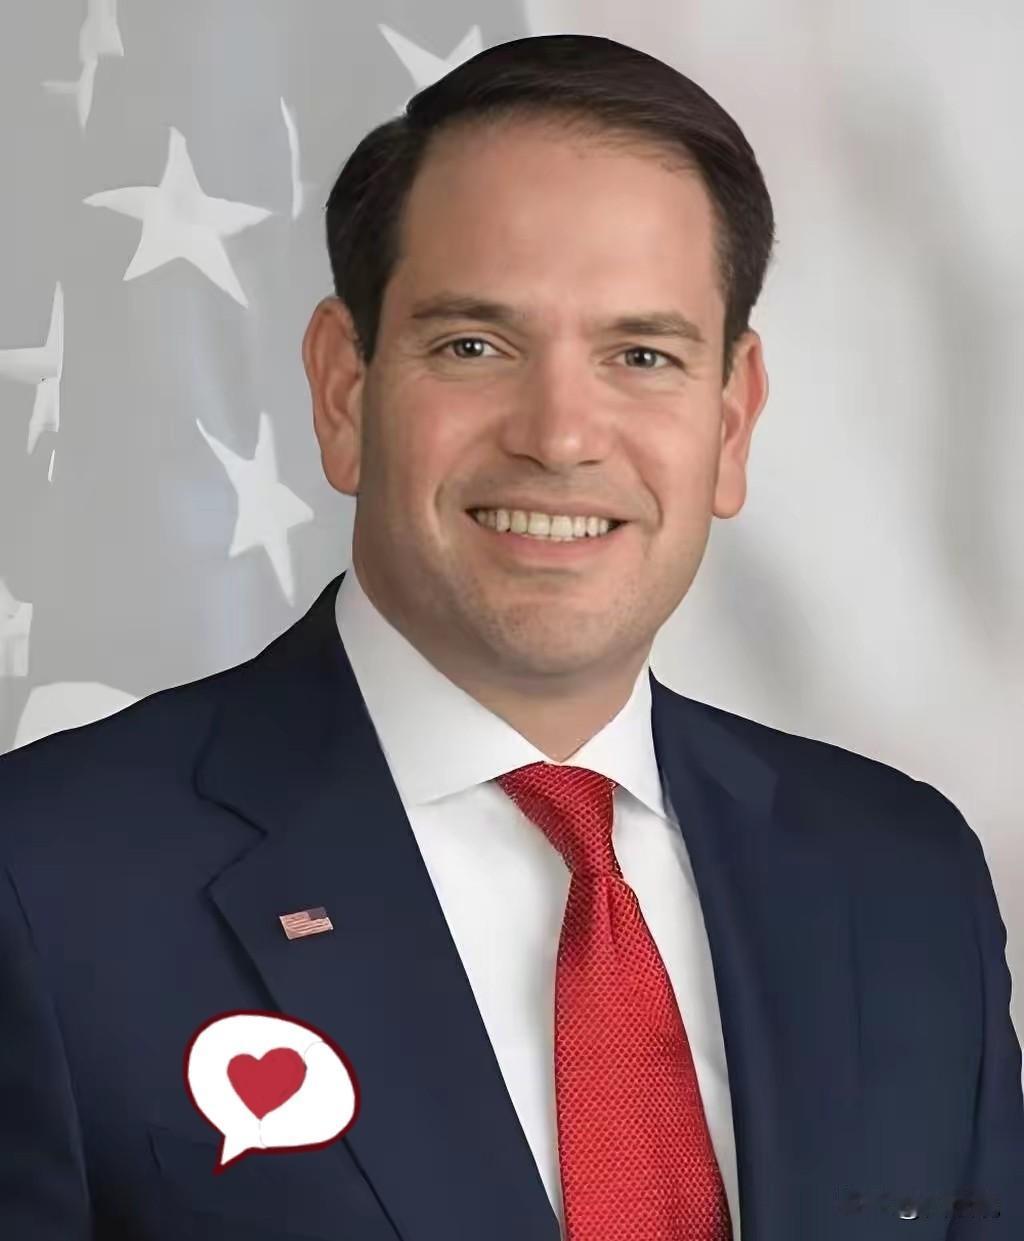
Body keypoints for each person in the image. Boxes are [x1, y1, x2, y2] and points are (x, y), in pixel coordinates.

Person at [0, 32, 1020, 1241]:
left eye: (641, 355)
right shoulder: (45, 881)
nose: (560, 435)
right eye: (474, 346)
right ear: (342, 390)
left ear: (732, 420)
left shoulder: (904, 883)